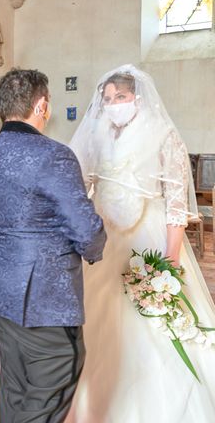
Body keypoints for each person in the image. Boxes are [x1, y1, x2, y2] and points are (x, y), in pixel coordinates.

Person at [67, 65, 215, 422]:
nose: (113, 104)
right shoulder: (95, 135)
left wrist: (172, 259)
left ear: (137, 97)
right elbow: (78, 187)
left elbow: (177, 203)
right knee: (97, 317)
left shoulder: (164, 135)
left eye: (121, 97)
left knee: (153, 327)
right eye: (107, 99)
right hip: (103, 239)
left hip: (148, 238)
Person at [0, 68, 106, 423]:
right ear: (42, 105)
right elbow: (87, 231)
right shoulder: (54, 155)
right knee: (55, 380)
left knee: (16, 384)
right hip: (44, 297)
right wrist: (95, 250)